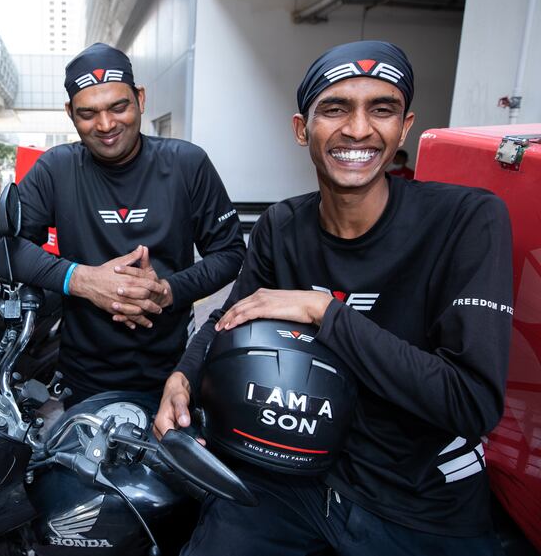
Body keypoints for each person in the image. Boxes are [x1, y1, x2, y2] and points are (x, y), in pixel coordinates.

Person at [155, 40, 512, 555]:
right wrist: (182, 376)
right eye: (336, 108)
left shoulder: (468, 220)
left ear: (405, 127)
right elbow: (231, 316)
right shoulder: (283, 225)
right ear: (303, 129)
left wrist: (323, 311)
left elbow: (471, 403)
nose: (359, 129)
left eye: (381, 109)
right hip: (295, 475)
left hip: (422, 502)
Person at [0, 43, 245, 404]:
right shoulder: (56, 169)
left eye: (119, 107)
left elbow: (230, 252)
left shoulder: (187, 163)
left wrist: (168, 290)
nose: (105, 125)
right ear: (70, 113)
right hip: (84, 377)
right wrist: (82, 280)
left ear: (140, 98)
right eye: (88, 113)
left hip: (175, 374)